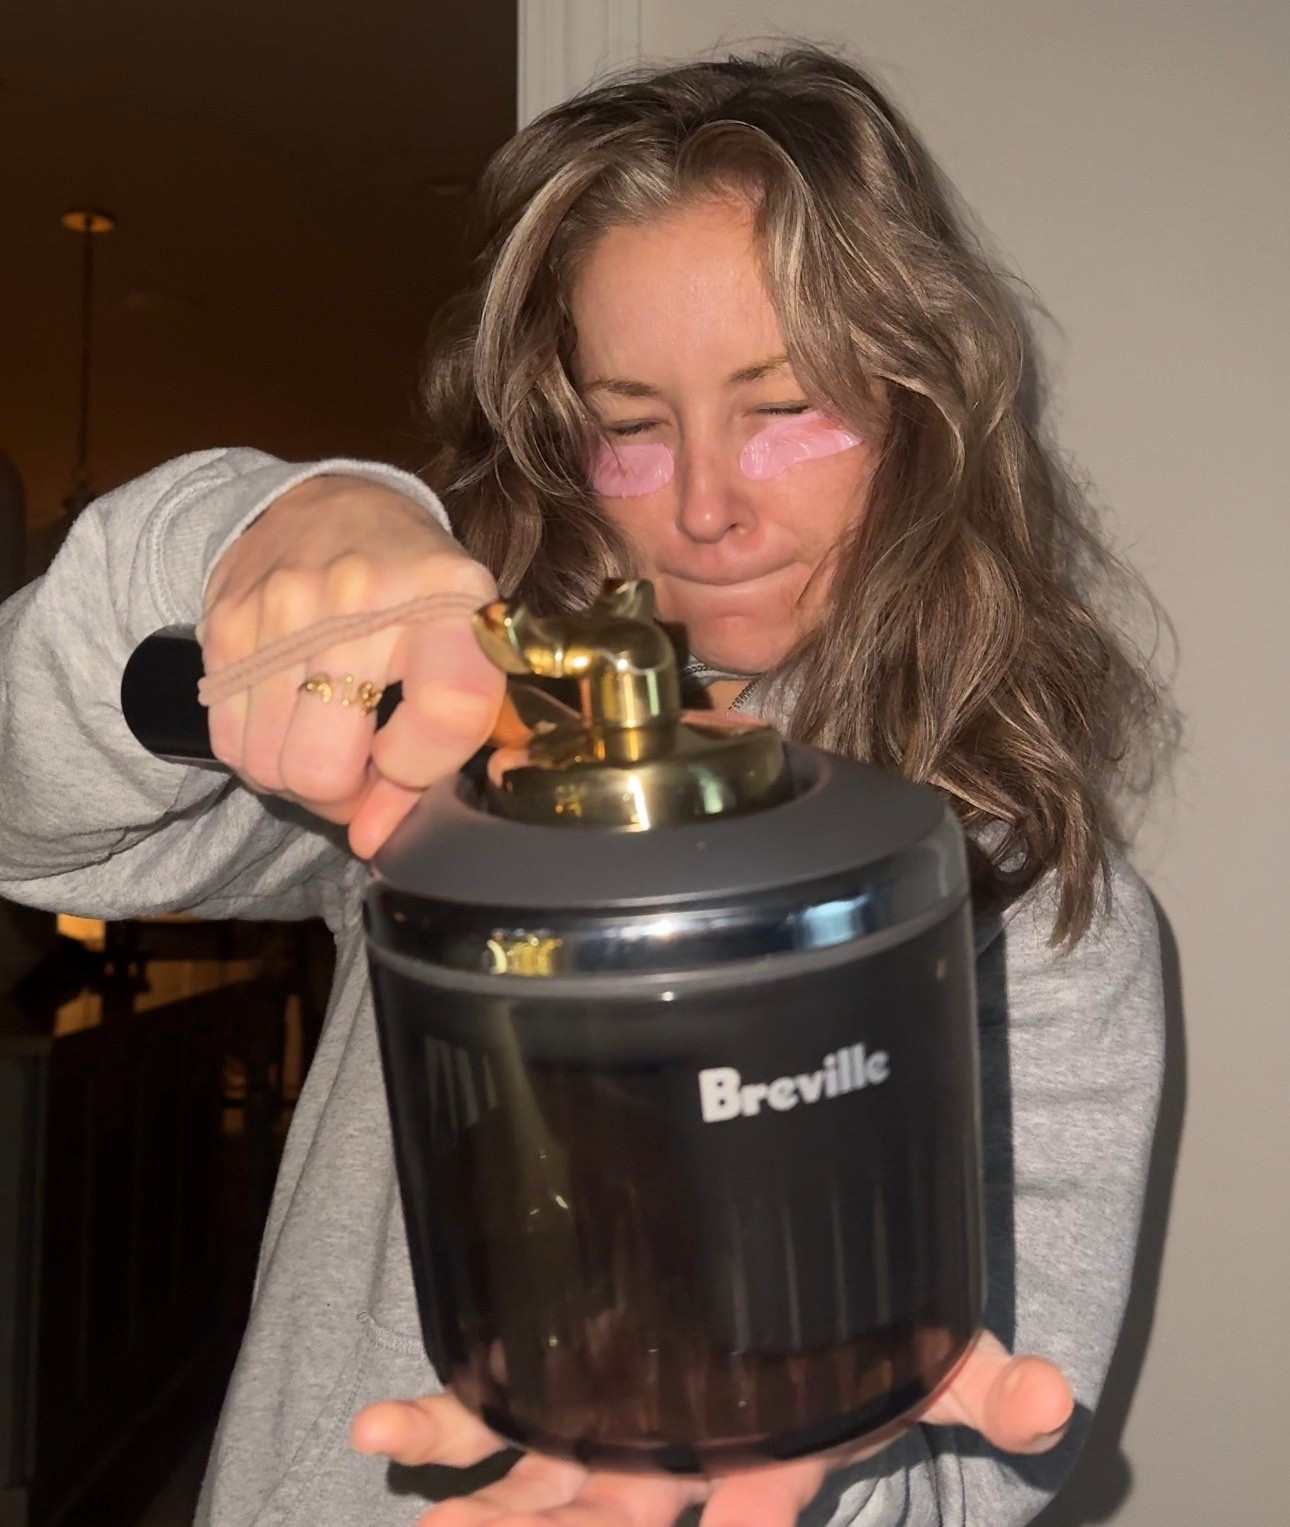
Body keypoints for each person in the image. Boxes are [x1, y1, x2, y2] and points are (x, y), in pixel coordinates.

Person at [0, 47, 1167, 1527]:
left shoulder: (1039, 919)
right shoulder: (466, 773)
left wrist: (782, 1417)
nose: (705, 504)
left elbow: (972, 1473)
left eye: (785, 404)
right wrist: (257, 526)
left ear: (923, 406)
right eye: (630, 424)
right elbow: (33, 823)